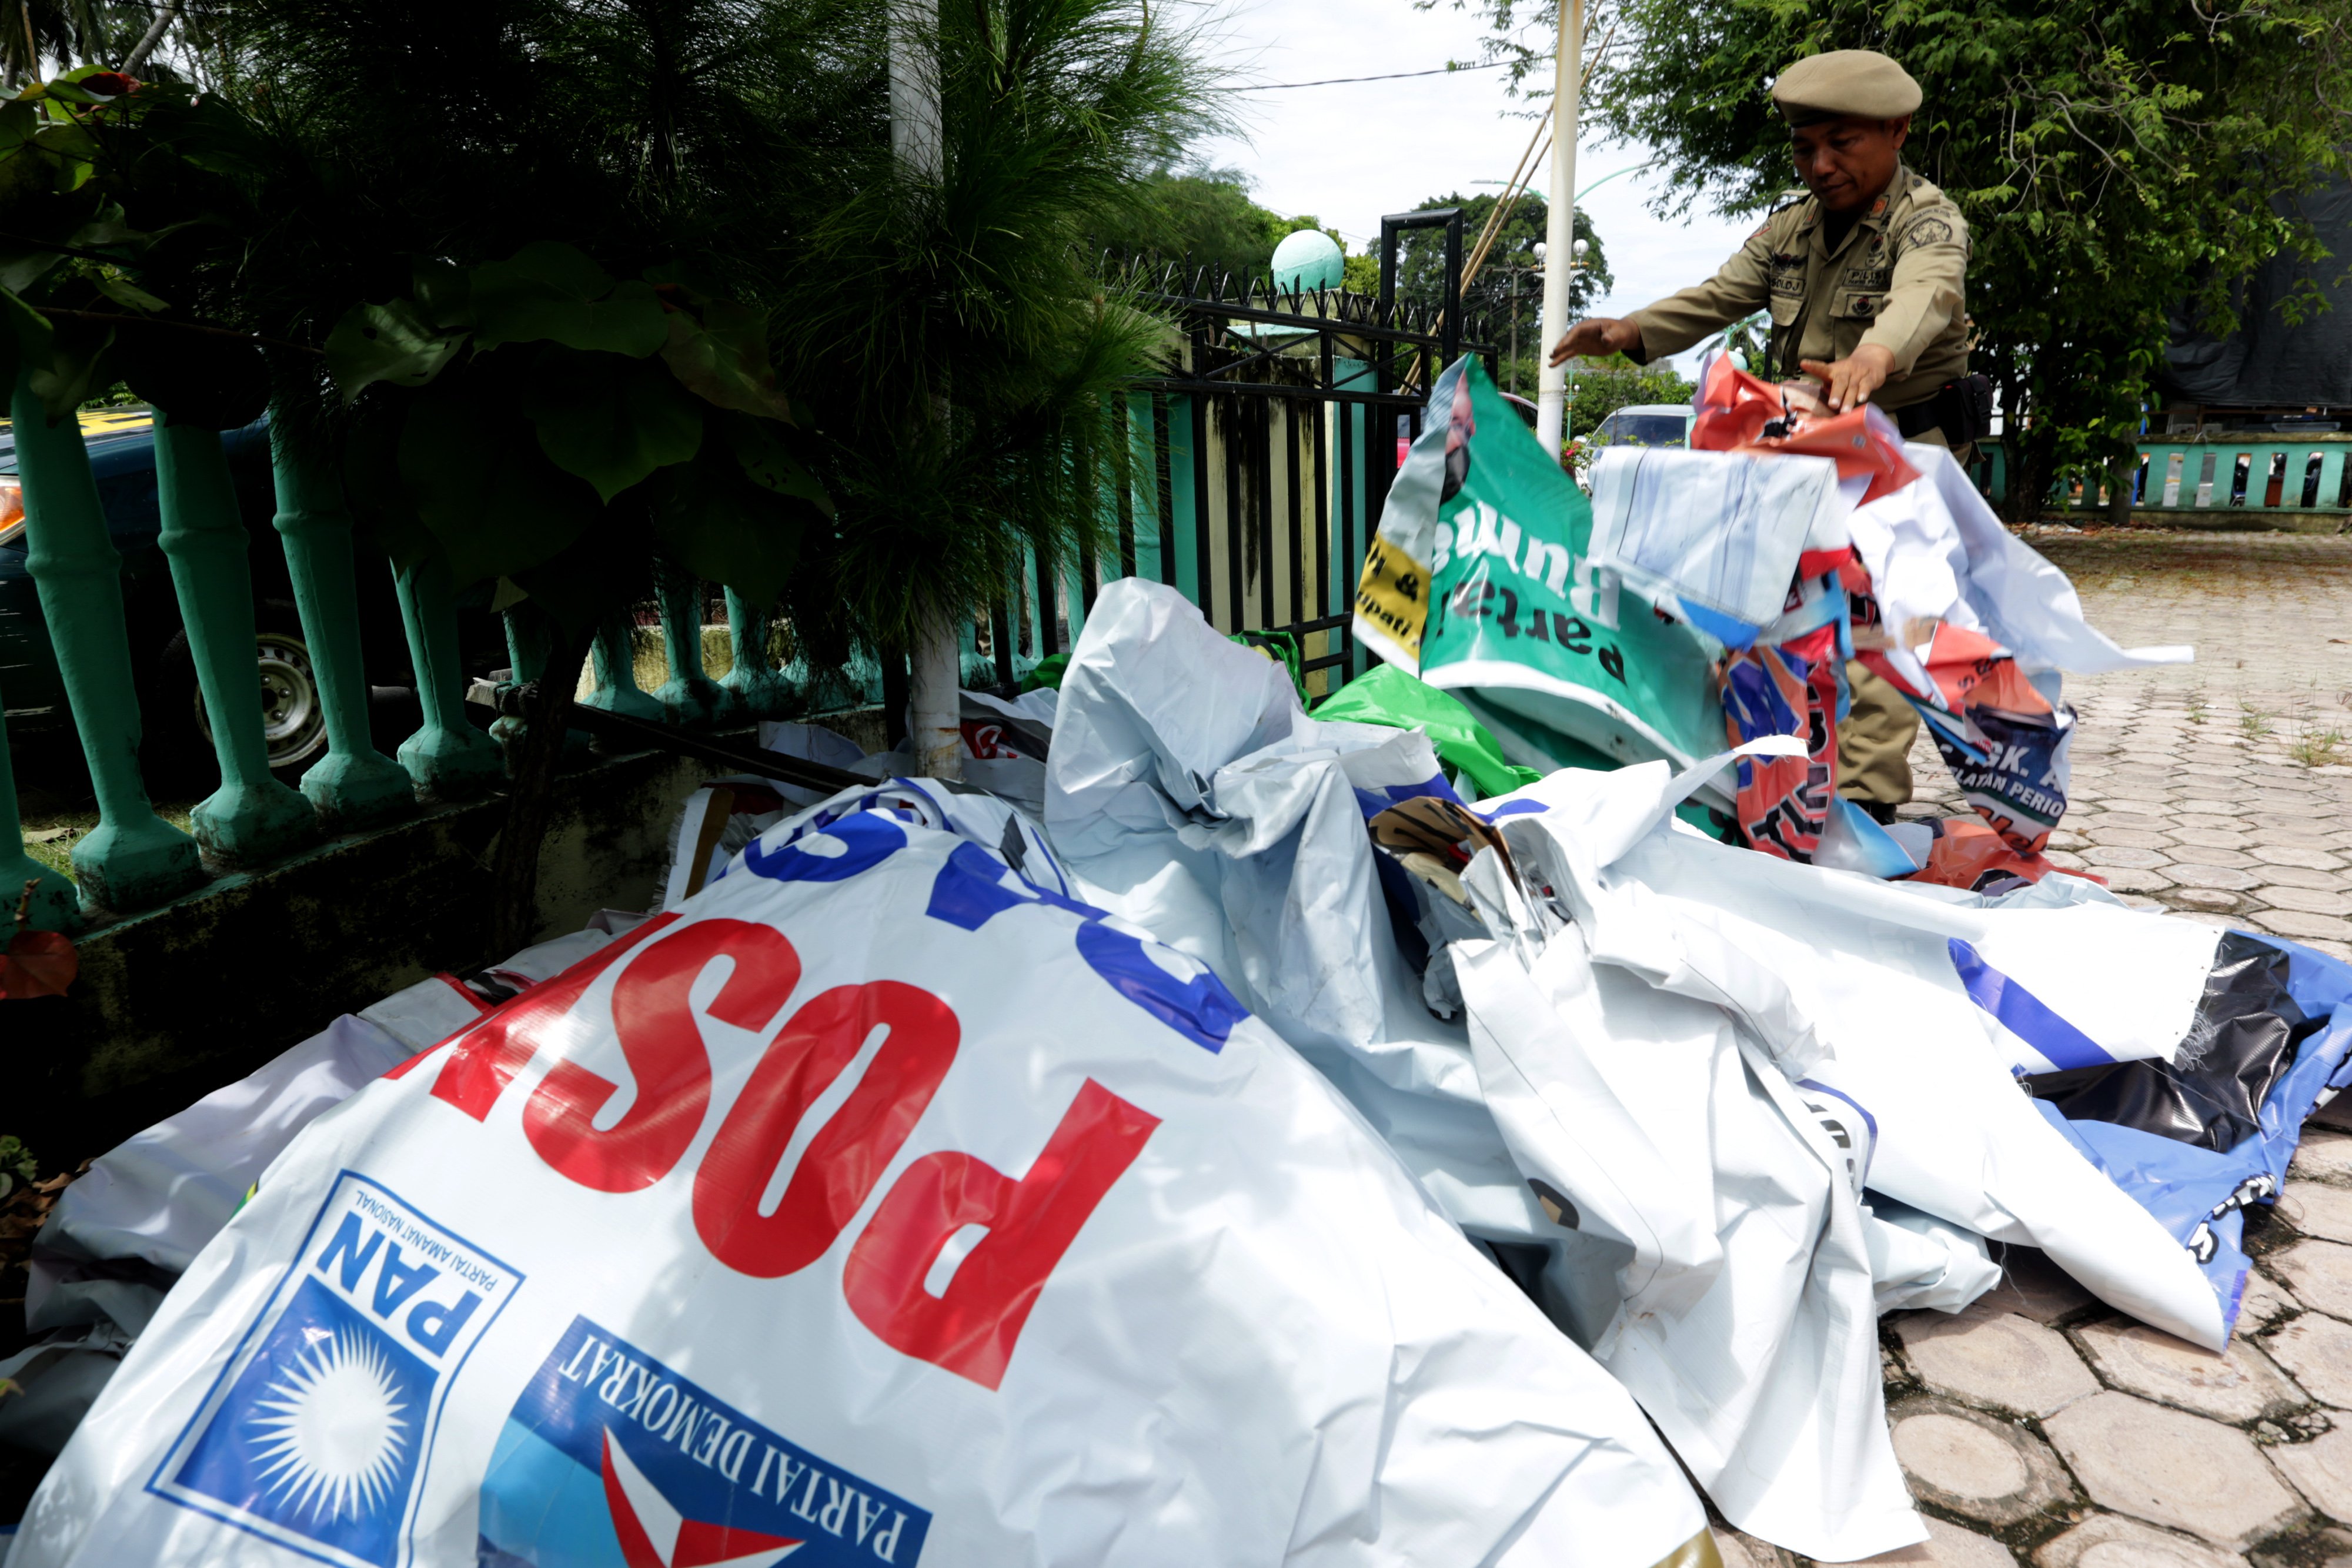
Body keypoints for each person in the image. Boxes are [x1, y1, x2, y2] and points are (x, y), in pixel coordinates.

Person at [1548, 48, 1979, 820]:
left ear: (1897, 130)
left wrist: (1874, 356)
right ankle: (1774, 781)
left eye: (1841, 143)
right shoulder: (1791, 230)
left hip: (1907, 451)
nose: (1819, 165)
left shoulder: (1927, 222)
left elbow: (1928, 297)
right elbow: (1721, 294)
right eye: (1805, 146)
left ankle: (1863, 805)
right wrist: (1630, 331)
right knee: (1778, 619)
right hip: (1810, 454)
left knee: (1885, 632)